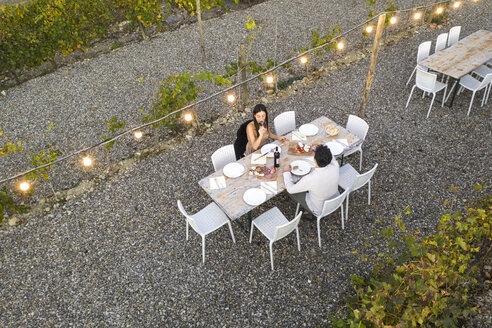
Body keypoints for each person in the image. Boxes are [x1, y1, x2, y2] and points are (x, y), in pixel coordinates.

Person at [283, 144, 339, 218]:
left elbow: (290, 189)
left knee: (288, 190)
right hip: (336, 200)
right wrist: (320, 149)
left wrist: (287, 172)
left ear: (315, 160)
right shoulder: (335, 165)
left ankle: (309, 213)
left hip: (319, 209)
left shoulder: (311, 178)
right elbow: (330, 155)